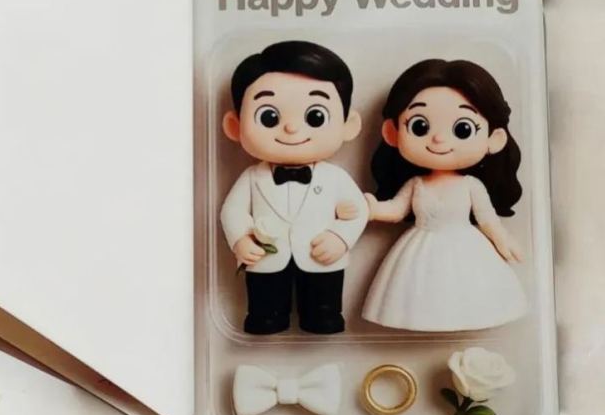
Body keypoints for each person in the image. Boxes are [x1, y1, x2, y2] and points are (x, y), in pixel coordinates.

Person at [362, 58, 528, 332]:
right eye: (420, 126)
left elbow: (487, 220)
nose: (439, 139)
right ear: (392, 133)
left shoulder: (470, 185)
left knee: (465, 291)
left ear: (494, 139)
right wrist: (370, 207)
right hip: (419, 250)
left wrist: (503, 239)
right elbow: (396, 209)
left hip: (467, 248)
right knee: (418, 294)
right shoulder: (416, 183)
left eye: (462, 129)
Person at [220, 41, 367, 335]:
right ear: (235, 126)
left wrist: (340, 238)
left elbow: (359, 210)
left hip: (321, 255)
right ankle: (265, 318)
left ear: (348, 125)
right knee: (264, 299)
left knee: (324, 299)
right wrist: (241, 241)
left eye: (315, 117)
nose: (291, 129)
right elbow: (231, 211)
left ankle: (323, 317)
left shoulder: (334, 177)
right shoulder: (252, 177)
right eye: (269, 117)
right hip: (265, 257)